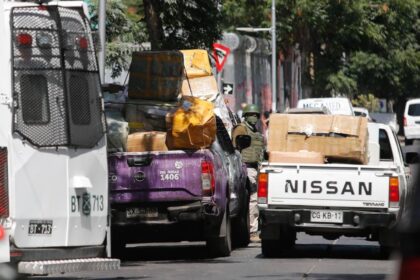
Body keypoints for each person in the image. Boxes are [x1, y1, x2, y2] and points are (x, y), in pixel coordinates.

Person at [232, 104, 265, 242]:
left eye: (256, 115)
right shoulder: (241, 128)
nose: (254, 117)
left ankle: (254, 229)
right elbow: (234, 146)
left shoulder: (255, 131)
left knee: (257, 200)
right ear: (245, 116)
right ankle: (252, 231)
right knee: (253, 198)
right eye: (251, 114)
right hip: (246, 167)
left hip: (256, 167)